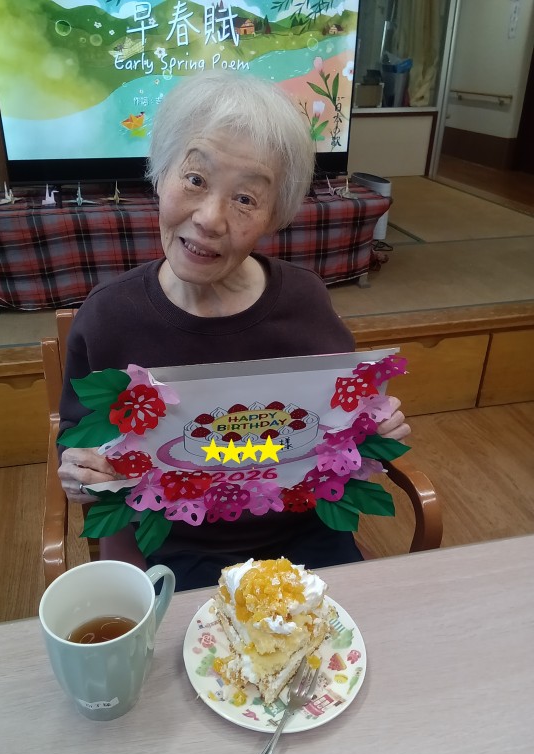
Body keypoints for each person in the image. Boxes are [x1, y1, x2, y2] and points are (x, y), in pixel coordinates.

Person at [58, 71, 410, 590]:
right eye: (195, 179)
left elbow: (341, 416)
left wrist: (376, 425)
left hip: (306, 534)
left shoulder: (304, 301)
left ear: (274, 215)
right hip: (180, 544)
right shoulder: (110, 317)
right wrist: (82, 471)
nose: (210, 219)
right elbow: (79, 433)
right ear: (160, 174)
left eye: (246, 199)